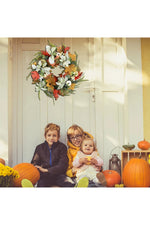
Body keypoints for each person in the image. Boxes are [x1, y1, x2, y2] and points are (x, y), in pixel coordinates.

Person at [31, 123, 74, 187]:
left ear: (58, 137)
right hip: (45, 176)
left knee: (68, 184)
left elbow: (63, 165)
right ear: (45, 136)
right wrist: (36, 169)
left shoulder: (62, 147)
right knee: (41, 184)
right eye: (49, 135)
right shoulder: (40, 148)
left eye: (54, 135)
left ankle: (76, 186)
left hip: (59, 175)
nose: (51, 138)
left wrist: (47, 170)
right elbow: (34, 162)